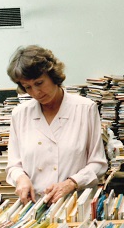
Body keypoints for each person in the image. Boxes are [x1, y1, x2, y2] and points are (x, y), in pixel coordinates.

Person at [6, 45, 108, 205]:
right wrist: (21, 178)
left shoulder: (85, 108)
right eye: (27, 87)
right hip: (36, 205)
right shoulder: (20, 114)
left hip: (75, 204)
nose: (35, 92)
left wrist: (71, 183)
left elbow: (98, 163)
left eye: (39, 83)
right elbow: (14, 165)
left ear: (53, 75)